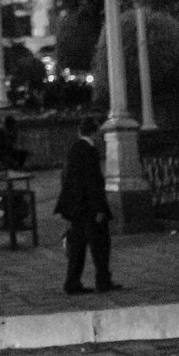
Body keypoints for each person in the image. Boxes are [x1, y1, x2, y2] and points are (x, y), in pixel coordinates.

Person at [54, 116, 121, 295]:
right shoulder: (89, 151)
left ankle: (72, 282)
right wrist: (99, 208)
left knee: (77, 248)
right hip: (89, 207)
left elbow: (67, 178)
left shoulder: (74, 149)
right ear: (95, 132)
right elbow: (92, 182)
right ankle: (103, 280)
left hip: (75, 208)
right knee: (100, 245)